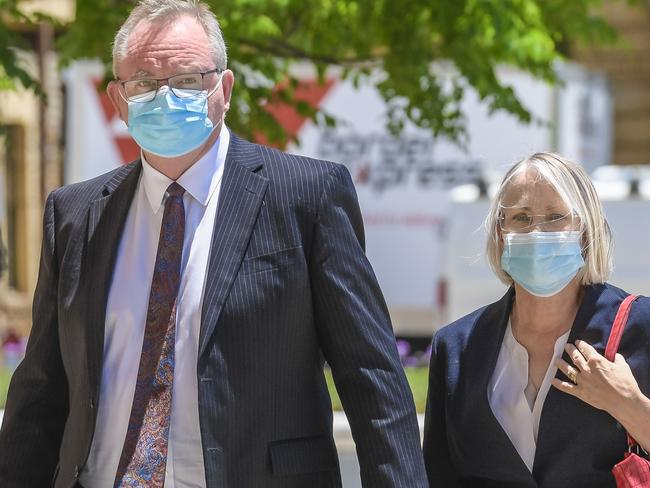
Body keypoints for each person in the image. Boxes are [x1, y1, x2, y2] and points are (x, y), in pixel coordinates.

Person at [0, 1, 427, 487]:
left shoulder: (306, 197)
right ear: (118, 101)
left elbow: (372, 377)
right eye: (144, 82)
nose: (165, 98)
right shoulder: (75, 215)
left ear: (223, 89)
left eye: (187, 80)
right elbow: (40, 392)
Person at [423, 152, 650, 487]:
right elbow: (439, 473)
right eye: (521, 218)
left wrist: (628, 404)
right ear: (500, 234)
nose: (537, 232)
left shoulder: (639, 327)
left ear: (585, 232)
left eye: (556, 216)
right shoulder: (457, 346)